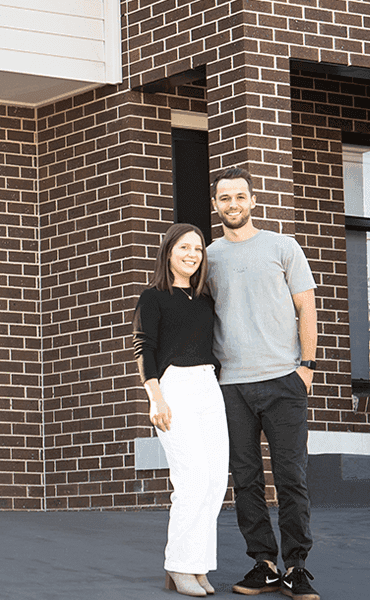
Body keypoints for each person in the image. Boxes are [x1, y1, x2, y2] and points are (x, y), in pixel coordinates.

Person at [205, 167, 320, 600]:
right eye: (224, 198)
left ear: (252, 201)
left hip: (283, 379)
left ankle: (298, 567)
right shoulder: (209, 256)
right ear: (215, 205)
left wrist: (306, 366)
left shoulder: (282, 246)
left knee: (291, 475)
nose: (233, 204)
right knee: (247, 478)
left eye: (240, 197)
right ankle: (264, 563)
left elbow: (306, 306)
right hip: (231, 385)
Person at [132, 223, 228, 597]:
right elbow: (144, 348)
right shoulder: (153, 297)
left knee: (216, 481)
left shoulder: (206, 298)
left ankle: (198, 565)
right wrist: (156, 397)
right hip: (173, 388)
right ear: (168, 252)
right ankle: (179, 565)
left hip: (208, 386)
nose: (192, 255)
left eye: (198, 249)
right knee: (191, 481)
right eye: (184, 248)